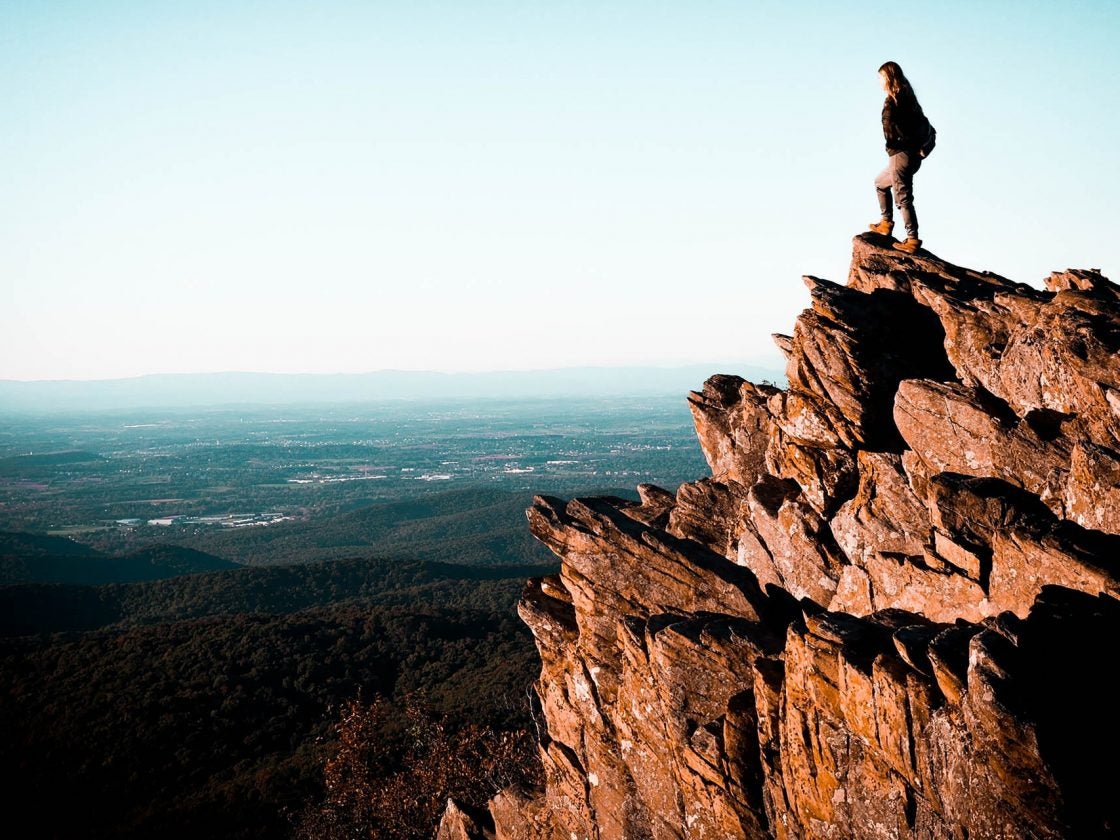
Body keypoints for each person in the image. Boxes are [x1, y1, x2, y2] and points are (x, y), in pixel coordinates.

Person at [869, 61, 931, 254]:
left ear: (888, 78)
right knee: (880, 183)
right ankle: (886, 223)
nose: (879, 81)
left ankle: (912, 239)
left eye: (881, 77)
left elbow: (888, 130)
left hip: (899, 156)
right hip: (913, 156)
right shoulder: (909, 98)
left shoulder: (892, 101)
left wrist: (892, 144)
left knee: (903, 198)